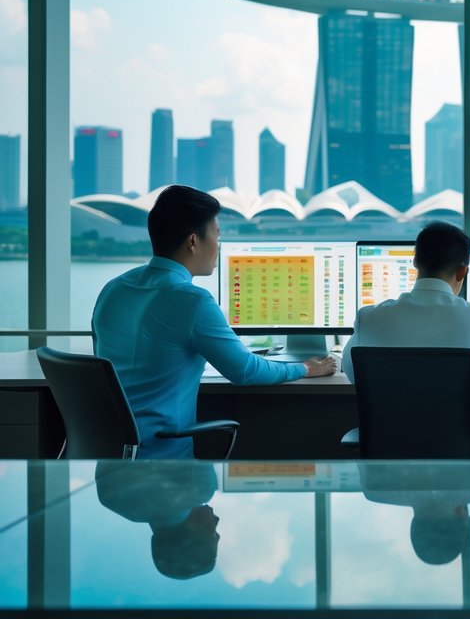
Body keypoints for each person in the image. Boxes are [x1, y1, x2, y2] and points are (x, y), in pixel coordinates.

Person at [92, 185, 335, 459]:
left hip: (106, 461)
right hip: (164, 465)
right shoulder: (191, 300)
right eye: (217, 236)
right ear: (193, 242)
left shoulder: (113, 290)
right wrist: (305, 368)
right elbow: (245, 371)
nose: (218, 246)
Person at [342, 221, 470, 386]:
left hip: (390, 416)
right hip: (456, 417)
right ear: (462, 272)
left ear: (415, 262)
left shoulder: (369, 318)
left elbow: (353, 374)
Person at [95, 461, 221, 580]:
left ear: (193, 540)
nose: (217, 520)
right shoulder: (110, 500)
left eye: (214, 534)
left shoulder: (201, 489)